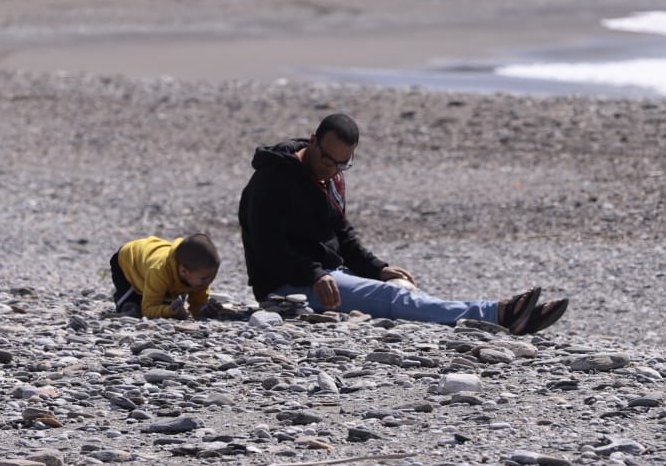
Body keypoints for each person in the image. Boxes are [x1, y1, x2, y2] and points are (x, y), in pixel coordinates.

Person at [238, 112, 567, 335]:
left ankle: (513, 321)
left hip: (328, 274)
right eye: (328, 160)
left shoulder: (330, 175)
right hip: (287, 285)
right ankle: (497, 313)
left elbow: (342, 235)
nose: (333, 170)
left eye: (342, 164)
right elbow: (269, 249)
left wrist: (379, 268)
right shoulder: (271, 181)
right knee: (393, 299)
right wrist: (314, 274)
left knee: (399, 288)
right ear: (313, 141)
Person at [109, 232, 224, 319]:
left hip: (151, 262)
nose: (209, 282)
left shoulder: (199, 278)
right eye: (205, 279)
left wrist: (204, 310)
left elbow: (197, 307)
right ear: (183, 271)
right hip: (128, 260)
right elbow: (147, 309)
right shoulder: (159, 271)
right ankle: (126, 302)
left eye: (213, 276)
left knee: (168, 302)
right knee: (133, 307)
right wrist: (168, 312)